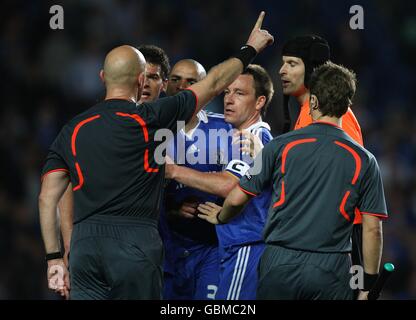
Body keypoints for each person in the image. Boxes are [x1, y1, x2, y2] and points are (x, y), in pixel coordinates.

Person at [38, 12, 274, 300]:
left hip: (85, 246)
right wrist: (249, 49)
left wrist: (56, 258)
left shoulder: (72, 130)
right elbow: (212, 83)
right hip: (135, 241)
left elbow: (49, 197)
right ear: (140, 81)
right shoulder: (151, 117)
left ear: (102, 77)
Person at [198, 62, 388, 300]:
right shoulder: (364, 160)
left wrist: (220, 216)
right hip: (331, 269)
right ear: (347, 104)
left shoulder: (280, 146)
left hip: (280, 263)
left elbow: (237, 198)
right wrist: (368, 284)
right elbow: (372, 230)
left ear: (314, 102)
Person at [165, 64, 274, 299]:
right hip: (236, 245)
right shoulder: (237, 136)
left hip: (246, 243)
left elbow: (229, 185)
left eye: (240, 93)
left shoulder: (253, 138)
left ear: (259, 102)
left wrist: (172, 170)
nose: (229, 99)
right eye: (227, 92)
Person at [58, 45, 171, 269]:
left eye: (154, 77)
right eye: (143, 76)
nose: (146, 83)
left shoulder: (176, 128)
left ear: (164, 84)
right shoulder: (100, 125)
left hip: (161, 247)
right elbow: (67, 187)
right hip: (106, 242)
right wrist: (70, 245)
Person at [279, 35, 365, 283]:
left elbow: (344, 178)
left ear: (313, 69)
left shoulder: (335, 115)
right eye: (283, 62)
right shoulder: (307, 112)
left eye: (292, 63)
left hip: (338, 239)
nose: (282, 70)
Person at [161, 59, 231, 300]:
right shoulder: (149, 129)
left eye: (192, 81)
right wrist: (172, 210)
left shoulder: (225, 128)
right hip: (166, 250)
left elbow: (238, 185)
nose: (182, 86)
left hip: (211, 248)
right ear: (165, 84)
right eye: (176, 79)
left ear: (206, 89)